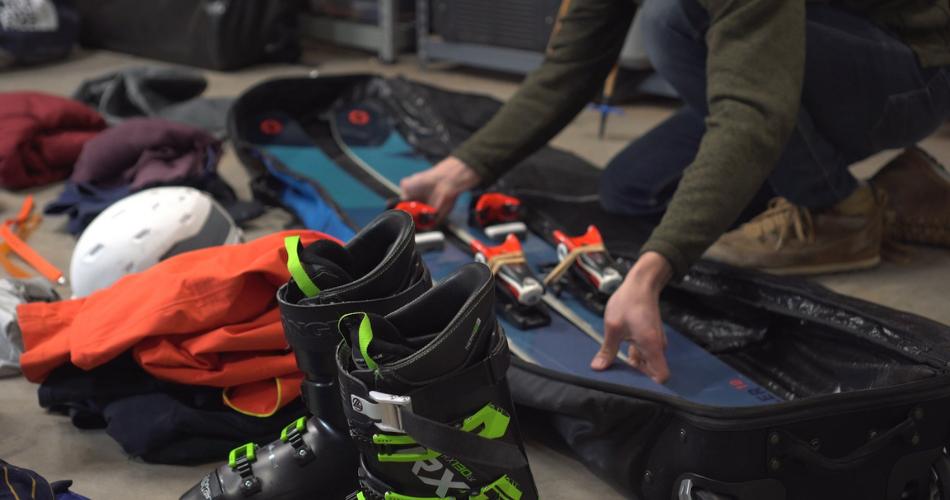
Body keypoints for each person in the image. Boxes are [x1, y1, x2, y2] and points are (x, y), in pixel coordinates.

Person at [400, 0, 950, 383]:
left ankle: (838, 211)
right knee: (634, 191)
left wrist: (651, 270)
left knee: (674, 21)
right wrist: (464, 167)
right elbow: (572, 66)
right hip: (789, 52)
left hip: (910, 69)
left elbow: (753, 111)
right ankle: (902, 191)